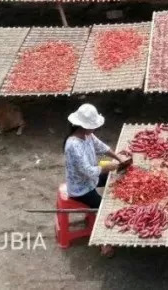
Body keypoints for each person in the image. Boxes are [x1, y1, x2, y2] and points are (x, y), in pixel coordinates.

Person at [64, 103, 123, 257]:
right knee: (102, 208)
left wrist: (118, 158)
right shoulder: (73, 145)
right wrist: (106, 167)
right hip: (81, 188)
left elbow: (101, 147)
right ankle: (104, 243)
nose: (95, 128)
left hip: (91, 178)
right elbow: (88, 171)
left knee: (118, 174)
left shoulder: (87, 134)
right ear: (83, 125)